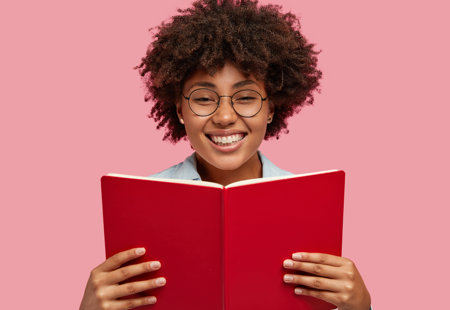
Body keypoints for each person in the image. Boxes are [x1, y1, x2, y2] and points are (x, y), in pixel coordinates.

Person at [80, 1, 372, 309]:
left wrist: (361, 306)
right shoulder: (135, 207)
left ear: (271, 108)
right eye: (204, 98)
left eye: (245, 97)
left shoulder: (315, 206)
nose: (224, 117)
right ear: (180, 109)